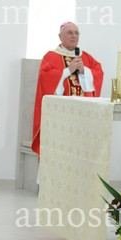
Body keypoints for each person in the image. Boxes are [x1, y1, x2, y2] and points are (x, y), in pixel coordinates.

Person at [31, 22, 104, 155]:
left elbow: (98, 73)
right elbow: (45, 78)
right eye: (69, 33)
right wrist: (67, 71)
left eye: (76, 33)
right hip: (59, 116)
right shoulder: (51, 56)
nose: (74, 36)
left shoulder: (86, 57)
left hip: (82, 116)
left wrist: (84, 71)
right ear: (60, 37)